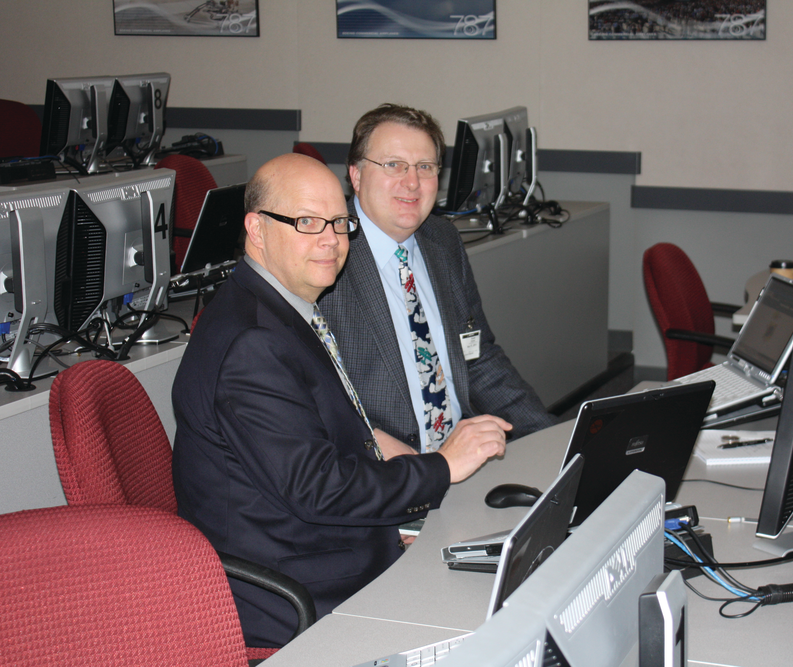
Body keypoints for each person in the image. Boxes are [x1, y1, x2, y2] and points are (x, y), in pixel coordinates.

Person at [171, 153, 509, 647]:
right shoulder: (253, 343)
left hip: (324, 545)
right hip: (296, 591)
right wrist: (441, 468)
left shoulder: (276, 306)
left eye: (338, 222)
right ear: (256, 229)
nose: (331, 240)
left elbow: (320, 434)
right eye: (306, 223)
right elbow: (319, 489)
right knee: (490, 617)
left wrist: (404, 475)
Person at [318, 104, 556, 454]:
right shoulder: (325, 253)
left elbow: (478, 357)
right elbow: (319, 404)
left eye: (425, 167)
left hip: (465, 454)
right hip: (386, 472)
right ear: (355, 175)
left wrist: (553, 438)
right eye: (393, 165)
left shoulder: (442, 240)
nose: (412, 182)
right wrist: (425, 471)